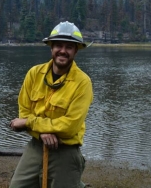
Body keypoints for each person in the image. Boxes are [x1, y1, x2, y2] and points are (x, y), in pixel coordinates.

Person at [9, 21, 93, 188]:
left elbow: (70, 126)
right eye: (58, 45)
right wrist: (41, 133)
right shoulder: (34, 74)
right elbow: (24, 111)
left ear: (76, 50)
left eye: (69, 47)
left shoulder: (83, 83)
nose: (63, 50)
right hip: (36, 146)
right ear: (51, 47)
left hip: (65, 150)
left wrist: (31, 123)